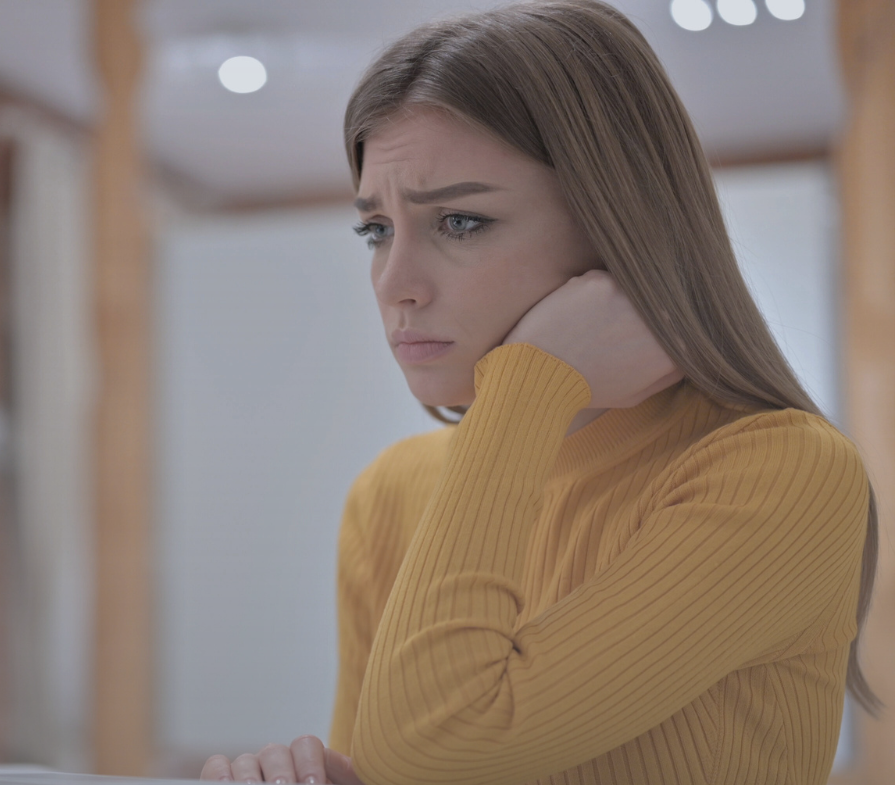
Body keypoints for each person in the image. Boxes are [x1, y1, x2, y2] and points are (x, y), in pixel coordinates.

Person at [200, 1, 879, 783]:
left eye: (459, 221)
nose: (395, 285)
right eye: (376, 229)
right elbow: (406, 762)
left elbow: (440, 740)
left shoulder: (782, 473)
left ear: (615, 227)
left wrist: (528, 384)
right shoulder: (392, 490)